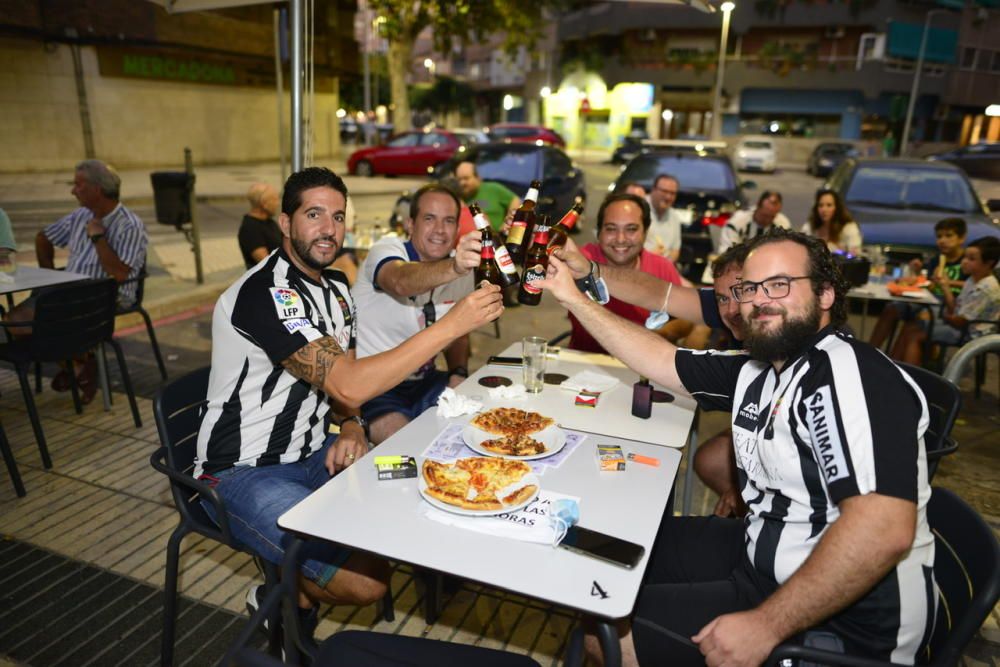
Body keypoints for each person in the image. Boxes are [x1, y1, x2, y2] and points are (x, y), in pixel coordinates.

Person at [538, 227, 933, 667]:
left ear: (825, 294)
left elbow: (884, 528)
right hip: (761, 552)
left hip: (844, 621)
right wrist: (574, 298)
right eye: (748, 288)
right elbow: (662, 360)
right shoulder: (766, 367)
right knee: (604, 549)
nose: (758, 300)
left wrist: (766, 625)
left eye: (780, 284)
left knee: (603, 633)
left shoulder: (847, 376)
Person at [194, 167, 501, 640]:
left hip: (316, 455)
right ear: (284, 222)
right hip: (240, 471)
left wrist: (354, 427)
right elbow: (351, 382)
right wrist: (450, 325)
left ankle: (285, 594)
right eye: (313, 214)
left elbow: (345, 396)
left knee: (410, 504)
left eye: (337, 217)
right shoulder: (264, 294)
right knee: (365, 584)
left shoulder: (337, 290)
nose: (328, 229)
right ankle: (282, 600)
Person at [4, 159, 148, 402]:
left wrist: (98, 237)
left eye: (78, 185)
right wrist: (50, 276)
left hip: (108, 296)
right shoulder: (80, 214)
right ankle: (79, 363)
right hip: (69, 290)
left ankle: (77, 364)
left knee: (29, 322)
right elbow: (43, 237)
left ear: (97, 189)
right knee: (14, 322)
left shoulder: (130, 225)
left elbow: (120, 275)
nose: (73, 190)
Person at [352, 183, 479, 444]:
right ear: (411, 224)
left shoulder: (462, 267)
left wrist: (459, 372)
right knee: (407, 449)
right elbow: (400, 281)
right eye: (429, 219)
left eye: (449, 221)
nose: (440, 230)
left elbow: (459, 332)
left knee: (475, 431)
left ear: (457, 228)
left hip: (425, 380)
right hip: (375, 386)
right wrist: (454, 268)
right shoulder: (387, 250)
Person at [567, 193, 695, 353]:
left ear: (645, 232)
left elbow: (686, 319)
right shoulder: (581, 261)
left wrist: (654, 337)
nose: (620, 239)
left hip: (643, 368)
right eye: (611, 229)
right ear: (599, 233)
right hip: (585, 364)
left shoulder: (662, 267)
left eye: (631, 229)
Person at [890, 236, 1000, 365]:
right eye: (965, 257)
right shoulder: (972, 280)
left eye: (971, 259)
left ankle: (907, 375)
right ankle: (892, 365)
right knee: (911, 326)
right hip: (961, 325)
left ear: (989, 263)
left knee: (915, 334)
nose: (964, 262)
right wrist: (945, 287)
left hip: (971, 333)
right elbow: (954, 308)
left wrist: (942, 316)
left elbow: (960, 321)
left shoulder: (986, 288)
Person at [868, 217, 968, 349]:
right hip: (927, 299)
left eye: (949, 236)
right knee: (891, 308)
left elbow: (973, 284)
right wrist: (918, 273)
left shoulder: (968, 260)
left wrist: (948, 282)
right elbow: (930, 284)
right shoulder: (936, 259)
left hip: (949, 304)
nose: (942, 241)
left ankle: (907, 360)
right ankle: (870, 350)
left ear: (962, 238)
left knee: (916, 323)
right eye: (939, 237)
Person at [716, 190, 791, 254]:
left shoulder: (783, 226)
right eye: (764, 215)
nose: (767, 220)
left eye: (772, 216)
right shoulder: (737, 222)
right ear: (757, 205)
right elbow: (727, 251)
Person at [455, 160, 520, 230]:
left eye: (466, 178)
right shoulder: (459, 197)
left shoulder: (492, 189)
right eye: (459, 180)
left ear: (477, 177)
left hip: (496, 237)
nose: (462, 183)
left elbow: (515, 200)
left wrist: (507, 224)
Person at [803, 189, 862, 255]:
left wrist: (838, 252)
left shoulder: (849, 228)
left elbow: (855, 255)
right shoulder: (810, 227)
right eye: (821, 205)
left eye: (829, 205)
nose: (824, 209)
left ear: (837, 208)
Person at [237, 183, 282, 269]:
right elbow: (266, 263)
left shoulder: (269, 222)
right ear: (264, 204)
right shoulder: (250, 229)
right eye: (275, 200)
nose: (278, 204)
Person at [645, 174, 684, 262]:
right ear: (653, 190)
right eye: (664, 191)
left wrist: (665, 267)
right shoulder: (639, 210)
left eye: (672, 193)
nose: (668, 197)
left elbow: (675, 250)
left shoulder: (674, 216)